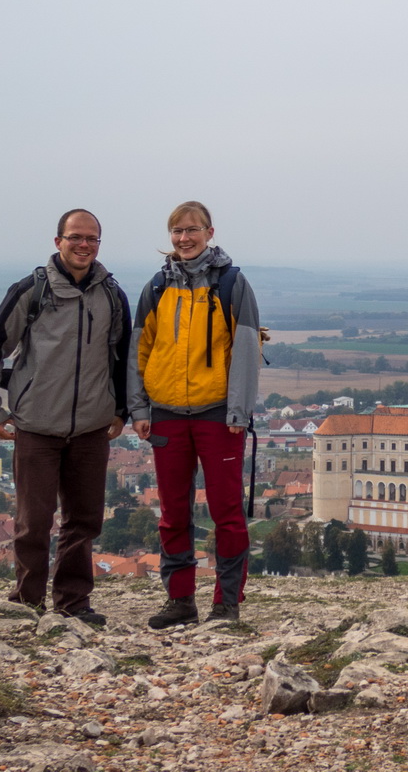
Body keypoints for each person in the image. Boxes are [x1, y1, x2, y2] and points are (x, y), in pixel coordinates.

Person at [0, 209, 130, 626]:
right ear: (58, 241)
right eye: (75, 237)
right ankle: (27, 601)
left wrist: (120, 410)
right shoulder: (32, 291)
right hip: (37, 426)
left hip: (92, 428)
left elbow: (121, 358)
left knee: (84, 521)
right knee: (34, 521)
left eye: (92, 238)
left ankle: (73, 603)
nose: (84, 245)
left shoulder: (112, 295)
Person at [128, 201, 261, 628]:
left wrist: (238, 411)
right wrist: (138, 407)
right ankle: (180, 601)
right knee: (172, 515)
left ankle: (226, 603)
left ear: (209, 232)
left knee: (226, 513)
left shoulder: (232, 283)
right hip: (165, 415)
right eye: (177, 231)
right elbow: (139, 350)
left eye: (192, 230)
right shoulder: (156, 287)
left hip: (218, 416)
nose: (184, 238)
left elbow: (245, 349)